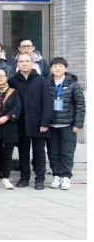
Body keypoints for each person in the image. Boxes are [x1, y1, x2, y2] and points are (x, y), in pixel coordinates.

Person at [9, 52, 53, 190]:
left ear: (33, 63)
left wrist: (45, 122)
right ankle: (24, 177)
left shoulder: (42, 81)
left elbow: (47, 103)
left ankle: (40, 179)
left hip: (39, 123)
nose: (24, 63)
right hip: (20, 123)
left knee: (39, 152)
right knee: (23, 152)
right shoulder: (12, 81)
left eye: (27, 61)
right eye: (21, 61)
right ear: (17, 64)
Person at [47, 57, 85, 190]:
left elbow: (80, 105)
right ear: (51, 69)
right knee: (52, 152)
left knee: (67, 152)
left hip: (68, 125)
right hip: (51, 125)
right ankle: (56, 176)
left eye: (60, 66)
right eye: (55, 66)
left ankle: (66, 177)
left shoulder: (73, 84)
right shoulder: (46, 83)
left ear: (66, 68)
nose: (57, 68)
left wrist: (78, 124)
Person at [0, 68, 20, 190]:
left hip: (9, 126)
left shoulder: (13, 92)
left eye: (2, 75)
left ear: (6, 77)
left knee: (7, 153)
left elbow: (17, 107)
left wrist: (7, 117)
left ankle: (5, 177)